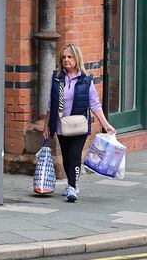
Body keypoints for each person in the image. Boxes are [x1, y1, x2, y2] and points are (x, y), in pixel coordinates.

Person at [43, 43, 116, 202]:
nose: (66, 60)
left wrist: (106, 125)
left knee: (75, 155)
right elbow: (50, 103)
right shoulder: (56, 79)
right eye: (63, 57)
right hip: (62, 126)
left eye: (69, 57)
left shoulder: (86, 80)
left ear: (77, 58)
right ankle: (72, 184)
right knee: (67, 157)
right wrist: (47, 126)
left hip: (79, 125)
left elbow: (95, 104)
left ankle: (72, 187)